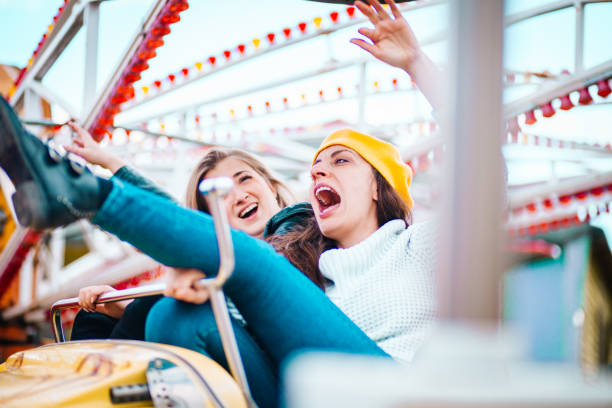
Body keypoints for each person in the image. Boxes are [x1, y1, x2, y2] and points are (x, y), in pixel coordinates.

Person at [0, 1, 438, 406]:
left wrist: (417, 64)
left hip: (391, 391)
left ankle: (81, 194)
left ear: (380, 187)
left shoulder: (417, 246)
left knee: (242, 257)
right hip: (303, 390)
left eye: (340, 161)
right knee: (174, 318)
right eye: (316, 166)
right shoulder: (318, 265)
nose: (320, 172)